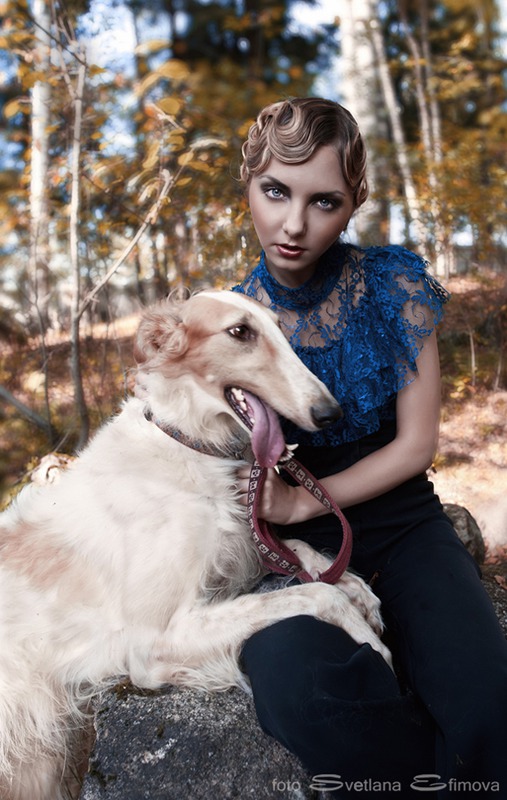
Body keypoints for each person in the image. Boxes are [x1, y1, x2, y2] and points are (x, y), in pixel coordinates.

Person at [232, 97, 507, 798]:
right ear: (248, 183)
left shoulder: (392, 285)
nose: (293, 224)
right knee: (298, 684)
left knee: (484, 699)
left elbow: (417, 445)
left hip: (407, 526)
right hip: (298, 558)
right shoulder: (233, 321)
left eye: (322, 201)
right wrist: (283, 518)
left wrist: (303, 501)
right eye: (275, 191)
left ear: (352, 203)